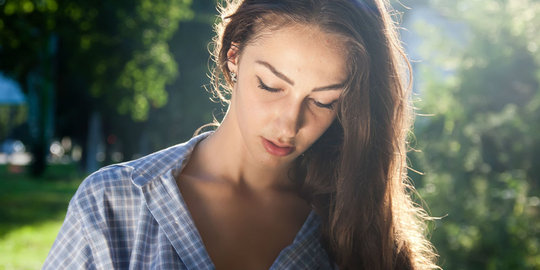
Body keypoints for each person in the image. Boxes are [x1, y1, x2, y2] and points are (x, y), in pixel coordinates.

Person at [44, 0, 439, 269]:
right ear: (233, 54)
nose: (288, 125)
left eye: (323, 102)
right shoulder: (113, 203)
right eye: (270, 85)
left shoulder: (357, 226)